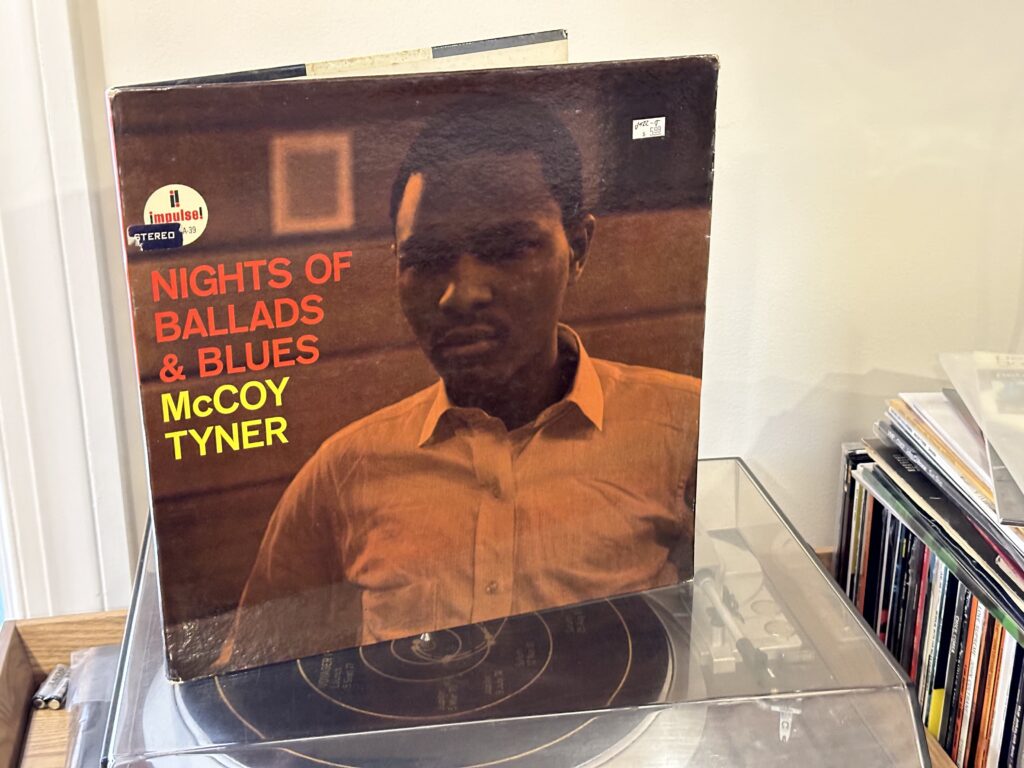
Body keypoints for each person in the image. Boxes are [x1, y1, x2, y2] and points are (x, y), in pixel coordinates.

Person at [219, 95, 701, 671]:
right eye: (426, 258)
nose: (461, 293)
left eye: (507, 249)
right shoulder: (345, 471)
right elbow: (246, 680)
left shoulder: (683, 428)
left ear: (578, 249)